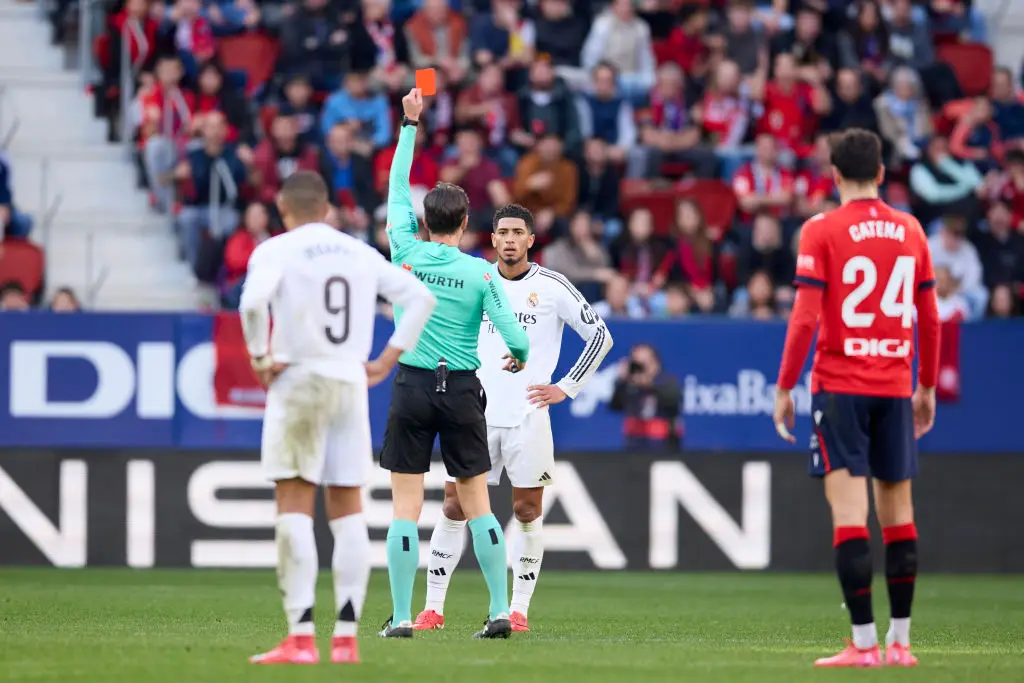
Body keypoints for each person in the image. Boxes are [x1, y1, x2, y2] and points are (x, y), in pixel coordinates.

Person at [241, 171, 437, 665]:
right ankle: (346, 637)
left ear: (284, 210)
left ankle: (301, 636)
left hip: (300, 379)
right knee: (349, 509)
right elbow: (420, 298)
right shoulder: (357, 251)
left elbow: (250, 304)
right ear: (327, 208)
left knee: (293, 503)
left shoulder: (277, 250)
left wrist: (260, 359)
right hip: (350, 379)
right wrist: (386, 360)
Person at [773, 129, 940, 668]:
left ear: (835, 174)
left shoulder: (821, 229)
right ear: (883, 172)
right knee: (900, 516)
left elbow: (805, 316)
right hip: (895, 386)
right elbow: (930, 317)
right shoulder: (910, 229)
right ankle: (902, 643)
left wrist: (784, 386)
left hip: (840, 387)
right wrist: (927, 384)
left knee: (850, 516)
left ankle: (864, 645)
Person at [414, 203, 614, 633]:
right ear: (492, 238)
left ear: (530, 240)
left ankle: (518, 609)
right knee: (453, 505)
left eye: (516, 232)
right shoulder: (477, 277)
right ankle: (433, 608)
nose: (508, 239)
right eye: (502, 231)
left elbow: (600, 334)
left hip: (528, 417)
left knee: (526, 510)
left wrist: (567, 386)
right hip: (474, 413)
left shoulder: (553, 286)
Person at [380, 88, 530, 640]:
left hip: (413, 384)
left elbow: (397, 187)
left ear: (423, 219)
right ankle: (496, 611)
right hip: (462, 389)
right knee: (478, 504)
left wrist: (409, 124)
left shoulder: (404, 250)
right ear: (466, 222)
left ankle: (400, 617)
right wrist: (518, 357)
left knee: (405, 507)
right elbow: (514, 335)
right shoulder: (481, 273)